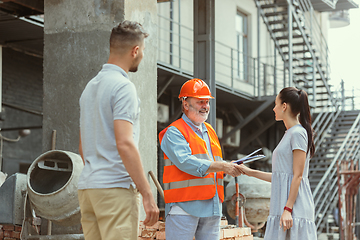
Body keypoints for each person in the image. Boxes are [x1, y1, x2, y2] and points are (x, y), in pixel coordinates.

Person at [78, 20, 159, 240]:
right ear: (135, 50)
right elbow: (125, 143)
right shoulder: (123, 87)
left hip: (88, 189)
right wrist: (147, 193)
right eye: (142, 50)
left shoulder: (90, 88)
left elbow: (83, 146)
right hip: (114, 190)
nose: (142, 55)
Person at [159, 78, 243, 240]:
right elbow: (186, 162)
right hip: (183, 208)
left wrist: (228, 168)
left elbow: (213, 168)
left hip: (212, 207)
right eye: (200, 102)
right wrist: (221, 166)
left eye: (207, 102)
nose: (205, 106)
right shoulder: (174, 132)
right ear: (185, 104)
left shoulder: (210, 131)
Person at [239, 87, 317, 239]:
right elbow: (279, 177)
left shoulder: (298, 133)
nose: (273, 108)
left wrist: (288, 209)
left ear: (284, 106)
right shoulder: (290, 133)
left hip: (294, 207)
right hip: (283, 205)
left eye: (276, 104)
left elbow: (298, 176)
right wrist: (248, 171)